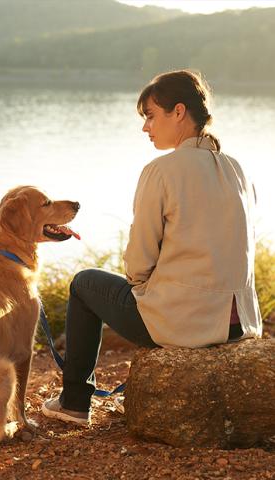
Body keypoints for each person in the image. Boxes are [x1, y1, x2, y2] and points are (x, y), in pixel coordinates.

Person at [41, 69, 262, 426]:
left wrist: (144, 289)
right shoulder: (237, 169)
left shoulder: (162, 170)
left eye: (150, 116)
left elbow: (139, 261)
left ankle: (74, 402)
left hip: (186, 323)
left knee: (84, 284)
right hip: (241, 323)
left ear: (178, 112)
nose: (146, 127)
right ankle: (74, 400)